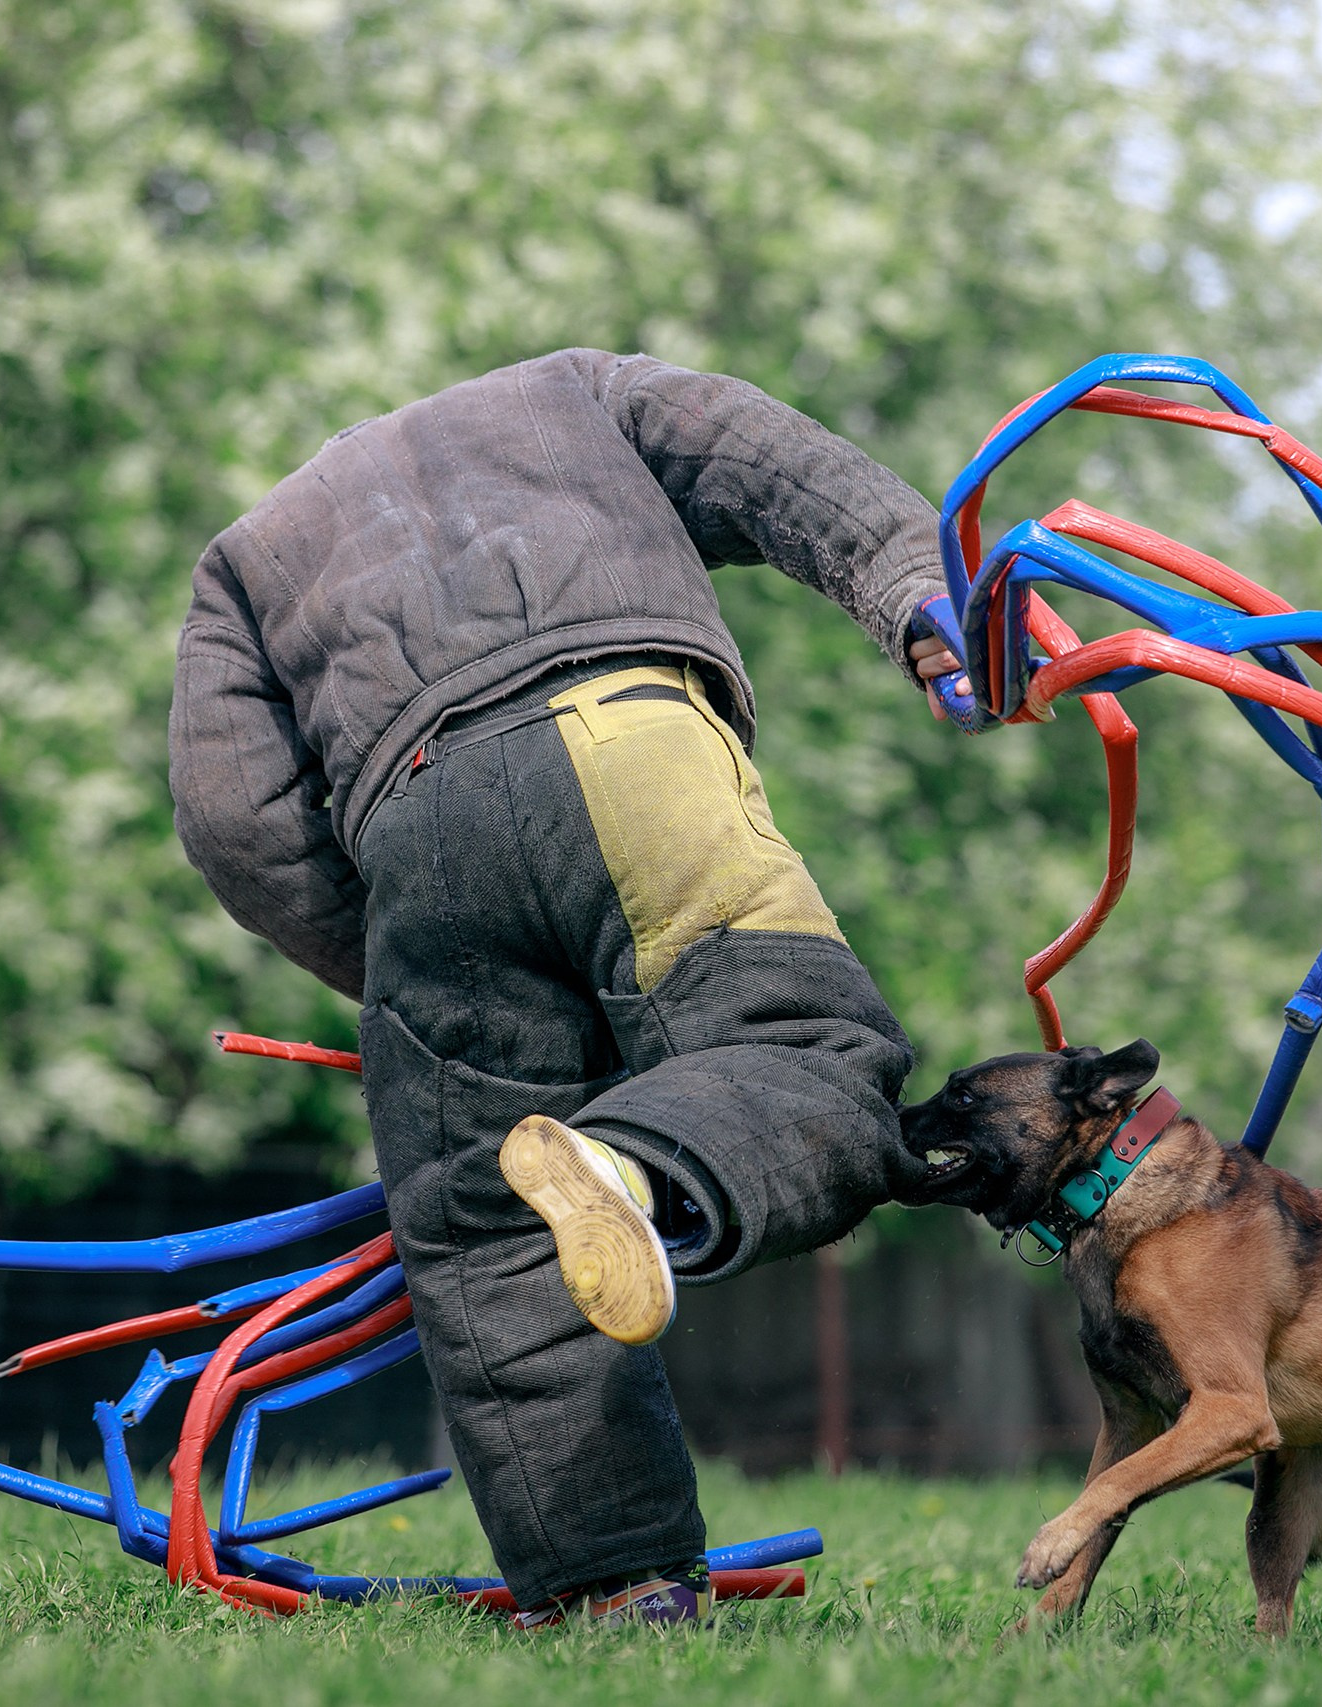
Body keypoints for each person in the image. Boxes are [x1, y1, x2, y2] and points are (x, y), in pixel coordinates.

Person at [169, 348, 973, 1626]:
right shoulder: (572, 393)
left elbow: (231, 820)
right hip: (629, 741)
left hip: (413, 834)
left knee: (485, 1232)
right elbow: (779, 471)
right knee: (812, 1049)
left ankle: (615, 1587)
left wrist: (379, 962)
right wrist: (923, 601)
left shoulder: (246, 557)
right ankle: (637, 1173)